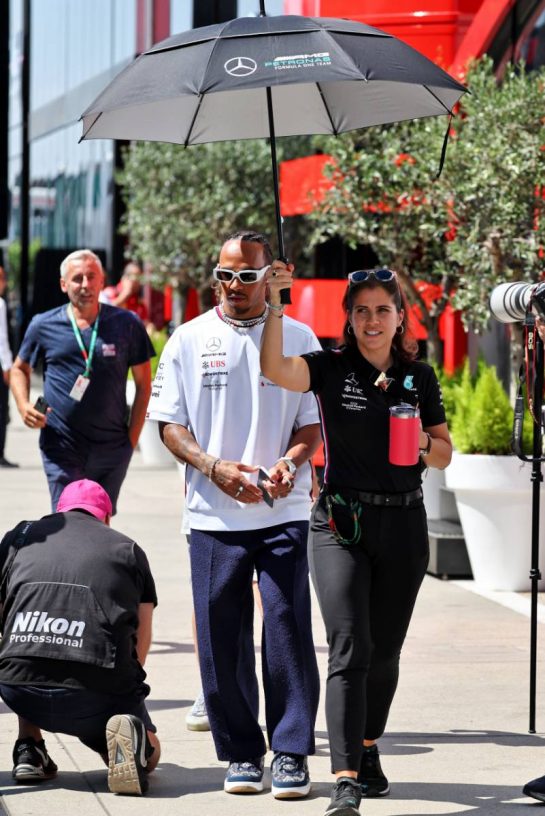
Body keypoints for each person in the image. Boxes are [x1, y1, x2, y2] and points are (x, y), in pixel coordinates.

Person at [260, 265, 452, 816]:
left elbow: (444, 453)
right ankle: (345, 779)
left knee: (384, 653)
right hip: (339, 523)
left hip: (404, 524)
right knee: (349, 647)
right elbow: (274, 367)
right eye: (361, 310)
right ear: (348, 317)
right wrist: (275, 303)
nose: (372, 320)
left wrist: (420, 443)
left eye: (382, 310)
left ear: (399, 318)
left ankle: (367, 745)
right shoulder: (330, 366)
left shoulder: (420, 377)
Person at [147, 229, 322, 799]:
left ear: (270, 277)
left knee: (286, 624)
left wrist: (290, 463)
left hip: (282, 508)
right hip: (213, 514)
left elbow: (312, 423)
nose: (234, 285)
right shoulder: (188, 338)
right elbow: (170, 424)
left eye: (247, 275)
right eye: (225, 274)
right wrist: (213, 467)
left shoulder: (299, 338)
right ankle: (243, 752)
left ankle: (291, 751)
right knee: (220, 632)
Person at [0, 478, 161, 795]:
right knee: (151, 753)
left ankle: (29, 748)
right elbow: (141, 632)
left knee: (28, 645)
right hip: (94, 691)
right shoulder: (127, 549)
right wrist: (126, 697)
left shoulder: (19, 537)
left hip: (18, 689)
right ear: (106, 517)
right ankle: (128, 746)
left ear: (59, 511)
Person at [10, 249, 155, 513]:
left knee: (100, 522)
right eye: (77, 278)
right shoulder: (43, 324)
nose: (85, 285)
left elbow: (145, 385)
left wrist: (130, 443)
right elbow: (20, 368)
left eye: (91, 277)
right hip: (61, 446)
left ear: (102, 281)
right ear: (63, 284)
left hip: (111, 448)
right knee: (67, 520)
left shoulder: (127, 324)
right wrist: (23, 405)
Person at [0, 265, 18, 468]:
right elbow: (2, 339)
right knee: (1, 409)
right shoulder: (0, 304)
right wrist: (7, 367)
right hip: (0, 364)